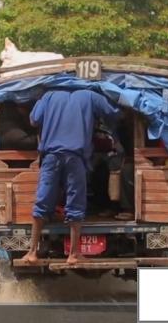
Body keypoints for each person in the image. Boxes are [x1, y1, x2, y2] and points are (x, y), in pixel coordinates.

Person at [22, 90, 119, 265]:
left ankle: (31, 253)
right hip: (75, 158)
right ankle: (73, 254)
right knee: (76, 203)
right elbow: (113, 112)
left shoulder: (48, 96)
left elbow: (33, 120)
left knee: (42, 201)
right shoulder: (90, 95)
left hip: (51, 157)